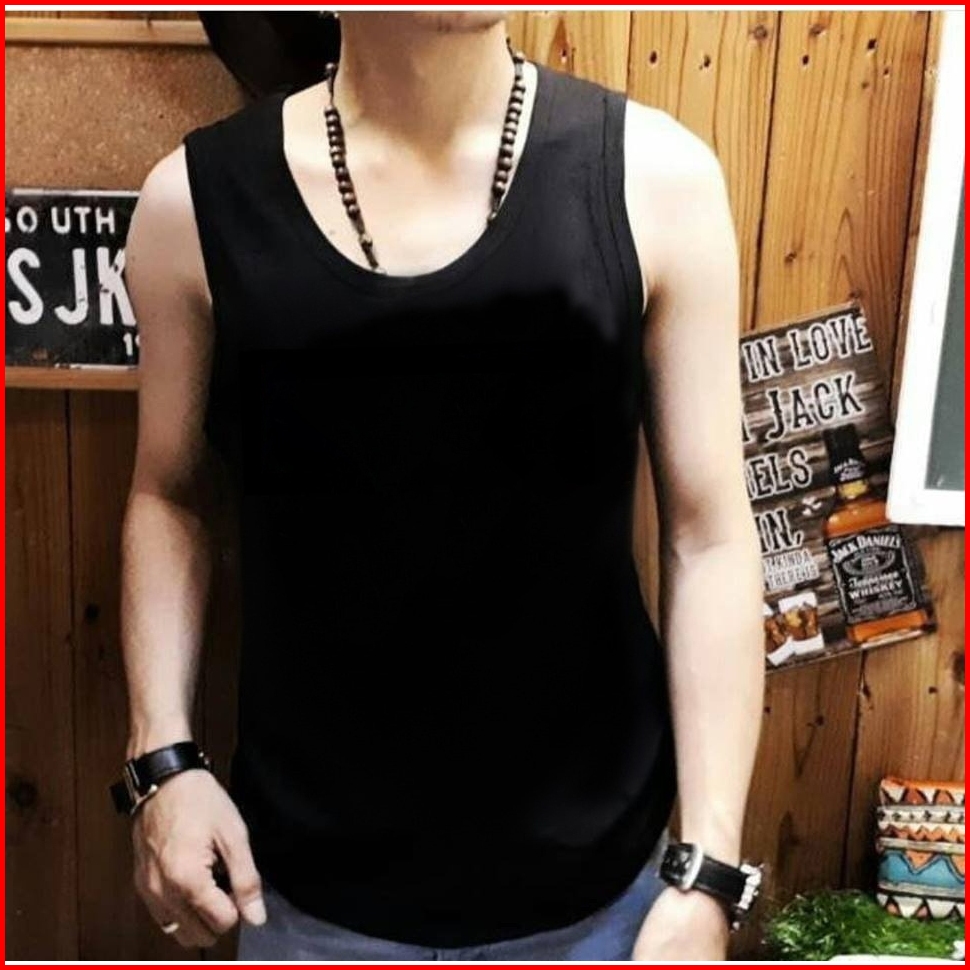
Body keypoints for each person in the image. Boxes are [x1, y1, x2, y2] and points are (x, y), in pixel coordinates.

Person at [117, 10, 765, 962]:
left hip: (607, 904)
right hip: (301, 900)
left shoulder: (657, 181)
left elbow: (708, 536)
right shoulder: (193, 205)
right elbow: (167, 494)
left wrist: (709, 870)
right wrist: (163, 760)